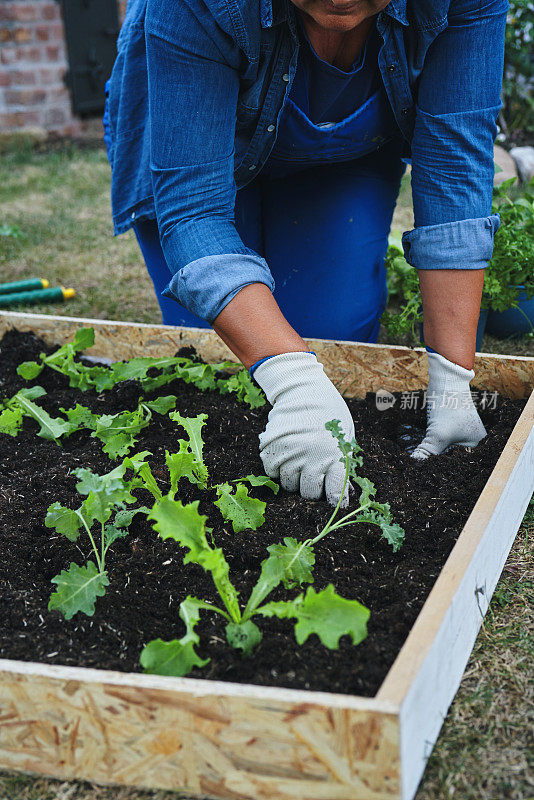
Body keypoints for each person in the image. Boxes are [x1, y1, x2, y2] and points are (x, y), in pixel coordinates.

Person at [104, 0, 507, 505]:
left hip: (342, 153)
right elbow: (194, 212)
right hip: (194, 138)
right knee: (220, 374)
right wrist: (290, 376)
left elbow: (455, 163)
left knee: (333, 347)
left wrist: (452, 380)